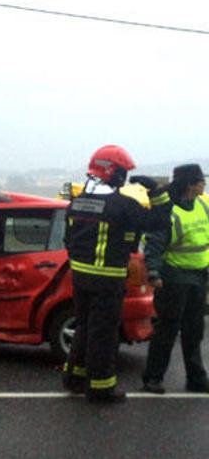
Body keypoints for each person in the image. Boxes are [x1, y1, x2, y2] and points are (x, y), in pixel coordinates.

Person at [61, 145, 171, 403]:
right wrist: (155, 192)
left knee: (85, 326)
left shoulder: (77, 203)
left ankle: (74, 377)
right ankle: (100, 387)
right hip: (108, 278)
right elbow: (160, 221)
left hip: (80, 276)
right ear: (115, 173)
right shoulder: (122, 205)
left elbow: (68, 239)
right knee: (104, 332)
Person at [142, 164, 209, 394]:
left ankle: (196, 378)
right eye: (201, 180)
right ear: (190, 185)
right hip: (174, 278)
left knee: (194, 331)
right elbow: (155, 243)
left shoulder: (202, 205)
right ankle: (153, 378)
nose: (204, 184)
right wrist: (153, 272)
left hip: (198, 277)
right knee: (166, 330)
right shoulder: (169, 211)